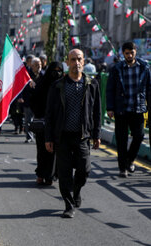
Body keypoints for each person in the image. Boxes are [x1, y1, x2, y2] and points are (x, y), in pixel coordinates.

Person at [45, 49, 101, 218]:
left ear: (83, 62)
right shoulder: (58, 86)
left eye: (79, 59)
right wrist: (48, 137)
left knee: (84, 170)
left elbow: (97, 111)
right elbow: (50, 113)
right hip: (62, 136)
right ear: (67, 62)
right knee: (64, 172)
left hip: (82, 135)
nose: (76, 63)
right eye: (73, 59)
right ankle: (69, 205)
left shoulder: (92, 84)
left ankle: (76, 191)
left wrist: (96, 134)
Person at [106, 41, 151, 178]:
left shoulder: (144, 67)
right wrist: (110, 107)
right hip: (121, 109)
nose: (130, 55)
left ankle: (129, 160)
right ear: (123, 54)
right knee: (121, 139)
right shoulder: (117, 68)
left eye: (132, 52)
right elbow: (110, 89)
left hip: (138, 108)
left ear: (135, 52)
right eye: (127, 53)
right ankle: (122, 168)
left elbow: (149, 88)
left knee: (139, 136)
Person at [29, 61, 62, 185]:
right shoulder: (42, 83)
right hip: (43, 123)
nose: (57, 73)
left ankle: (50, 175)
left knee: (54, 151)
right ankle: (41, 175)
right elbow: (33, 101)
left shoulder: (62, 85)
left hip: (56, 124)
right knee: (42, 150)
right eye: (55, 70)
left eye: (59, 70)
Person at [20, 57, 43, 143]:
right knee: (28, 120)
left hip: (39, 102)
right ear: (32, 66)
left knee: (38, 120)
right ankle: (29, 136)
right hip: (28, 100)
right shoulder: (27, 75)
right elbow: (22, 87)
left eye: (40, 64)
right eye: (37, 65)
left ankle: (38, 136)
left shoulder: (43, 75)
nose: (39, 66)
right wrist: (20, 97)